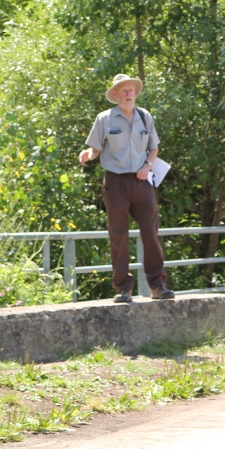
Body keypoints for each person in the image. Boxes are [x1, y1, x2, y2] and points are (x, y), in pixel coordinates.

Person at [78, 74, 173, 303]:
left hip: (142, 181)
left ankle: (158, 285)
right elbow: (95, 149)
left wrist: (147, 165)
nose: (129, 93)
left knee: (150, 233)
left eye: (131, 89)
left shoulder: (144, 116)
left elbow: (153, 149)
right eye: (124, 90)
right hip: (116, 182)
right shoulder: (104, 119)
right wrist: (88, 155)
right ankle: (123, 288)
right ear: (115, 95)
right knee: (118, 236)